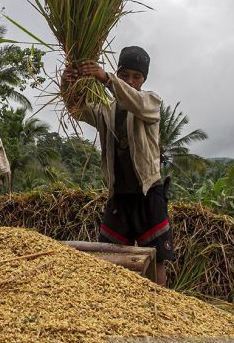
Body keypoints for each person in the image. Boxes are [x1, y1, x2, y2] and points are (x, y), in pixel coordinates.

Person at [61, 46, 174, 286]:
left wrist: (107, 79)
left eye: (137, 76)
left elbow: (136, 102)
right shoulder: (106, 109)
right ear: (118, 72)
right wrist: (68, 83)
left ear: (144, 79)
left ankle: (161, 306)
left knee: (157, 261)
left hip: (148, 194)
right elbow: (77, 109)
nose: (130, 81)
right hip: (119, 196)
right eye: (124, 75)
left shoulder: (150, 102)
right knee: (109, 258)